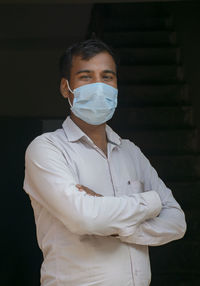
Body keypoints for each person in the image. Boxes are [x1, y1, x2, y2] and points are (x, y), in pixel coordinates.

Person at [23, 38, 186, 286]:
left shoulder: (130, 152)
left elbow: (176, 221)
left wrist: (117, 226)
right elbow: (84, 218)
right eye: (86, 77)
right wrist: (151, 203)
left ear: (117, 85)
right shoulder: (47, 149)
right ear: (66, 88)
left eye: (107, 77)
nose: (99, 86)